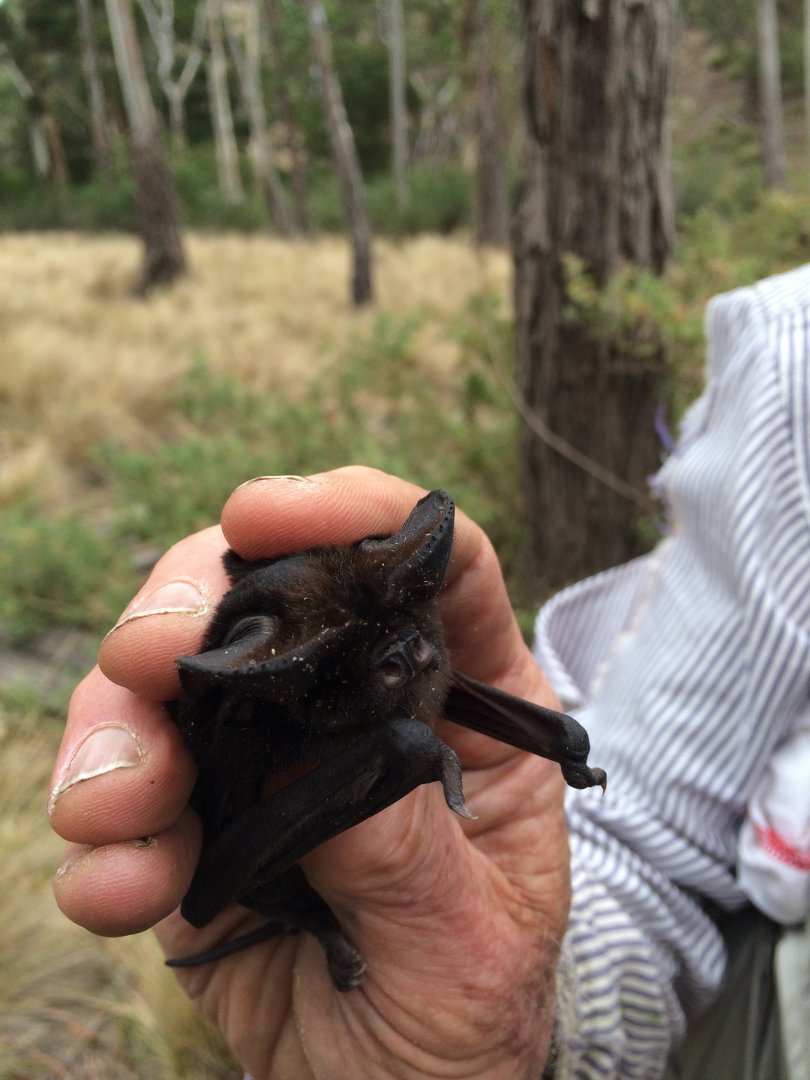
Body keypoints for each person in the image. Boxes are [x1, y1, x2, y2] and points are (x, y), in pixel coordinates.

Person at [49, 261, 810, 1079]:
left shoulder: (399, 672)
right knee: (396, 742)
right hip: (261, 762)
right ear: (311, 693)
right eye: (392, 661)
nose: (418, 654)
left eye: (416, 636)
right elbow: (657, 841)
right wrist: (505, 1028)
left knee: (411, 737)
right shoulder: (791, 361)